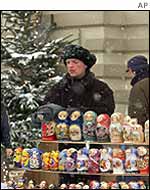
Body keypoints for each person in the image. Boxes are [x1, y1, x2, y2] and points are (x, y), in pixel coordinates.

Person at [43, 44, 115, 116]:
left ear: (85, 65)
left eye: (75, 62)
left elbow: (106, 111)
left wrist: (81, 112)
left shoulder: (100, 88)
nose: (71, 66)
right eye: (68, 62)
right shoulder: (59, 88)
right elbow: (47, 108)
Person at [126, 55, 149, 127]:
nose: (128, 74)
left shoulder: (139, 87)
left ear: (134, 71)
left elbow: (136, 115)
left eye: (128, 70)